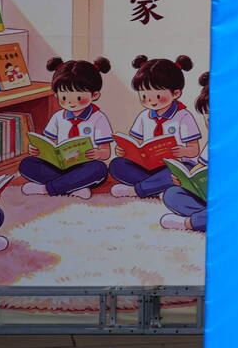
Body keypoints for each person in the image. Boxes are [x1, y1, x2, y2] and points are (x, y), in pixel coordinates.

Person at [21, 57, 113, 199]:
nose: (71, 103)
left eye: (78, 98)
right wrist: (37, 150)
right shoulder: (58, 117)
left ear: (94, 95)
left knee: (99, 169)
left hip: (84, 167)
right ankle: (72, 187)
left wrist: (98, 154)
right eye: (64, 98)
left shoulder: (98, 118)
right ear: (56, 95)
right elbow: (47, 143)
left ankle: (48, 188)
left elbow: (106, 152)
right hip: (59, 166)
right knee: (27, 164)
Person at [111, 55, 201, 199]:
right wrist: (124, 151)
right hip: (148, 167)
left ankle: (138, 190)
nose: (151, 101)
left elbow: (194, 149)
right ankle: (155, 188)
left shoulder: (183, 116)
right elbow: (135, 143)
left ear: (176, 93)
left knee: (181, 171)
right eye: (145, 96)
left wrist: (182, 151)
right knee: (117, 165)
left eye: (158, 96)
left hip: (174, 166)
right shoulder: (144, 116)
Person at [160, 73, 210, 231]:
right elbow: (200, 167)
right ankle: (209, 217)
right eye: (208, 116)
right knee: (172, 194)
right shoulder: (213, 143)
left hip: (232, 200)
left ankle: (190, 223)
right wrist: (186, 180)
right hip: (208, 197)